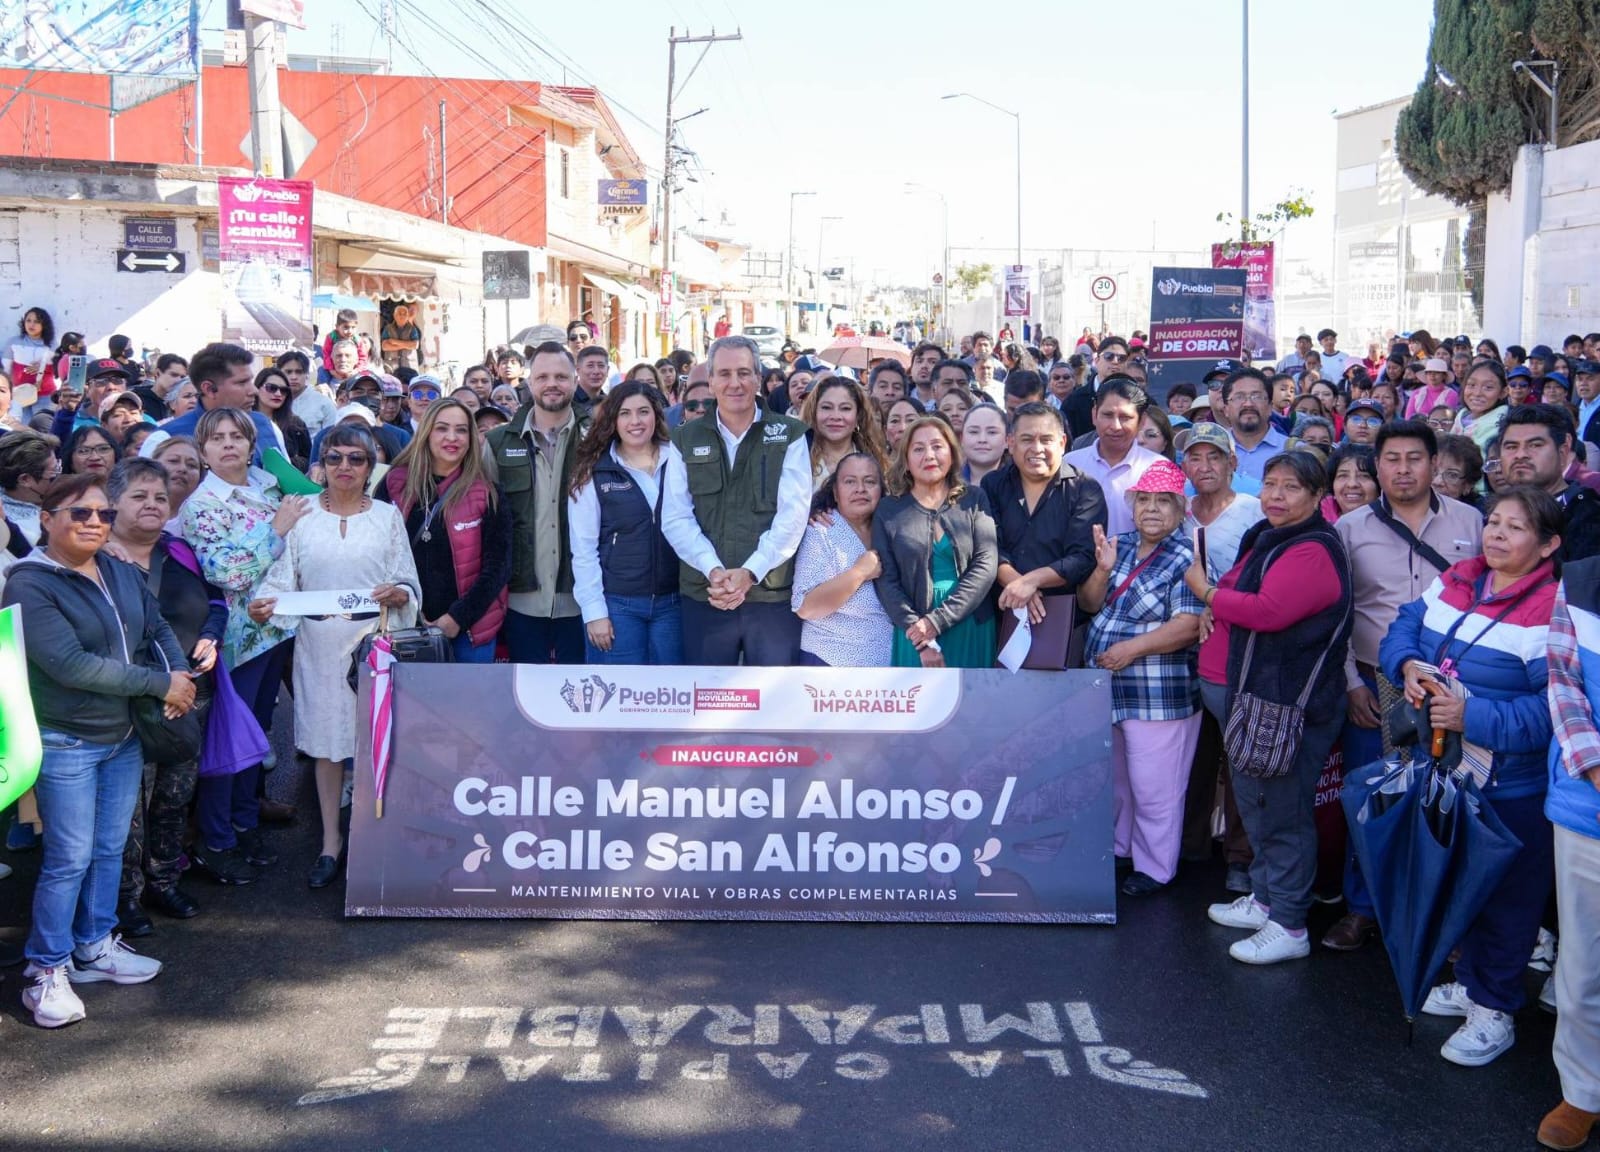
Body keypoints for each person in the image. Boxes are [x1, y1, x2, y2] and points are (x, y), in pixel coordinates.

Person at [3, 472, 195, 1027]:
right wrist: (160, 686)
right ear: (46, 518)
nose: (94, 522)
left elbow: (156, 626)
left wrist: (176, 672)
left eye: (102, 514)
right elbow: (68, 665)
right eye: (79, 514)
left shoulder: (116, 568)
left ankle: (93, 946)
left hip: (124, 737)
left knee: (110, 848)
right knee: (67, 858)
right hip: (67, 740)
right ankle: (45, 970)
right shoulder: (29, 583)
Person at [1382, 486, 1562, 1066]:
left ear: (1549, 545)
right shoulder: (1460, 576)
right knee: (1460, 887)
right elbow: (1404, 625)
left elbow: (1554, 709)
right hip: (1448, 769)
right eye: (1494, 523)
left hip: (1512, 784)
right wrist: (1406, 665)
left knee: (1509, 899)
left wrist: (1472, 716)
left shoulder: (1555, 609)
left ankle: (1495, 1009)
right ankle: (1473, 985)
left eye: (1516, 527)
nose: (1498, 535)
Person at [1323, 420, 1484, 952]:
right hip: (1375, 683)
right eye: (1391, 459)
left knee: (1450, 801)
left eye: (1414, 458)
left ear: (1435, 463)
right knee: (1373, 796)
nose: (1403, 469)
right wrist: (1350, 684)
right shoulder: (1351, 528)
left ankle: (1442, 913)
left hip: (1452, 689)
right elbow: (1338, 616)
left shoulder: (1472, 522)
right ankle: (1363, 906)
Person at [1187, 451, 1353, 965]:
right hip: (1259, 697)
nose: (1277, 496)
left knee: (1283, 812)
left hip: (1290, 703)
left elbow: (1267, 611)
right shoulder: (1268, 533)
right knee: (1258, 803)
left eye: (1291, 488)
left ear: (1317, 496)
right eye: (1271, 485)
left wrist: (1206, 593)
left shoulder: (1313, 549)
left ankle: (1289, 923)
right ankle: (1265, 899)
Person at [255, 424, 417, 887]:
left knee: (375, 744)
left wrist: (400, 594)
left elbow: (407, 579)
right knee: (327, 749)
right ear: (320, 467)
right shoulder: (303, 517)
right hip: (319, 648)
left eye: (356, 459)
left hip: (373, 646)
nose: (344, 467)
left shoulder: (386, 517)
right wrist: (266, 605)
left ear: (370, 468)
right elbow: (282, 580)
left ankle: (375, 840)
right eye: (335, 458)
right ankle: (330, 843)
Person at [180, 408, 310, 885]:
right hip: (238, 636)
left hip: (281, 627)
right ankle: (217, 838)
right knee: (228, 738)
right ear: (203, 449)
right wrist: (275, 529)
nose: (229, 445)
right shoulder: (200, 505)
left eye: (238, 436)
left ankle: (244, 820)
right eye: (218, 438)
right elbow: (226, 572)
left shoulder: (270, 483)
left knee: (257, 731)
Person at [105, 459, 225, 934]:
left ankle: (162, 877)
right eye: (139, 496)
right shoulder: (99, 558)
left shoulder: (180, 550)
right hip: (135, 701)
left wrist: (212, 635)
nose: (153, 504)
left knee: (175, 797)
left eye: (159, 496)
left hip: (192, 692)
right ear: (113, 502)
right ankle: (126, 895)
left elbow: (216, 599)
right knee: (132, 805)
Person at [1079, 459, 1206, 896]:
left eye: (1163, 502)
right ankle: (1121, 849)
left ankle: (1154, 868)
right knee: (1118, 783)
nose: (1152, 509)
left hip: (1158, 694)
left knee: (1156, 788)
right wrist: (1100, 570)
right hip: (1109, 688)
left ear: (1180, 508)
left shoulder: (1189, 555)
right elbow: (1091, 604)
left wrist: (1130, 650)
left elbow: (1189, 625)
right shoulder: (1123, 545)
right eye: (1144, 500)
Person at [660, 335, 811, 666]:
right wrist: (713, 570)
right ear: (710, 381)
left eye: (744, 373)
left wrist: (750, 573)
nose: (735, 383)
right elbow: (675, 517)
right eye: (724, 374)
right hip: (707, 594)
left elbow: (793, 516)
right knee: (708, 705)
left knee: (772, 706)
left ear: (758, 378)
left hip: (771, 595)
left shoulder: (790, 434)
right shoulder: (685, 438)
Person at [482, 342, 589, 664]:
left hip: (583, 597)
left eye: (560, 376)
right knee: (527, 699)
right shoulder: (498, 443)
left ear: (575, 380)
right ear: (530, 382)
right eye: (543, 377)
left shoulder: (598, 436)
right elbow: (486, 518)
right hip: (520, 597)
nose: (551, 384)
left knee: (583, 697)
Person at [381, 398, 510, 664]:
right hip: (405, 625)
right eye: (442, 428)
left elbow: (498, 566)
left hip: (468, 630)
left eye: (461, 430)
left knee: (468, 706)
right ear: (427, 432)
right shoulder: (394, 483)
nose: (452, 437)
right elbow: (374, 549)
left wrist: (457, 618)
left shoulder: (487, 492)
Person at [1542, 553, 1600, 1147]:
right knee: (1583, 963)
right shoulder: (1581, 582)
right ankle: (1583, 1092)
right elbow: (1565, 685)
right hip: (1589, 802)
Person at [566, 382, 683, 666]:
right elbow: (583, 549)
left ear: (656, 415)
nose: (635, 421)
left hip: (674, 603)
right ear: (613, 420)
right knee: (618, 698)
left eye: (643, 412)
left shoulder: (679, 459)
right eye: (625, 413)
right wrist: (594, 612)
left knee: (670, 698)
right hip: (618, 605)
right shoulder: (593, 471)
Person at [873, 417, 997, 668]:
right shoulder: (888, 509)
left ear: (952, 453)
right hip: (914, 631)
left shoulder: (974, 498)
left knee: (974, 704)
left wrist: (937, 621)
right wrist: (922, 637)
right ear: (906, 461)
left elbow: (986, 564)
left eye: (938, 446)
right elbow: (886, 580)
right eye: (918, 449)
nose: (929, 455)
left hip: (970, 620)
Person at [981, 402, 1105, 634]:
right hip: (1000, 612)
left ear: (1062, 443)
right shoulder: (992, 485)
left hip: (1063, 618)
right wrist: (1018, 585)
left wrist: (1032, 581)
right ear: (1011, 443)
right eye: (1027, 439)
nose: (1037, 448)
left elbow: (1083, 556)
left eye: (1046, 440)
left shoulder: (1085, 489)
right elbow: (987, 546)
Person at [791, 453, 893, 667]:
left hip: (885, 672)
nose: (860, 489)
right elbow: (806, 607)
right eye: (850, 481)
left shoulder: (889, 530)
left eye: (870, 481)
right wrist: (859, 573)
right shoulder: (821, 531)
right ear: (835, 492)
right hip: (830, 667)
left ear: (881, 491)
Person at [1498, 404, 1600, 563]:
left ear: (1563, 451)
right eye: (1511, 446)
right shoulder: (1490, 511)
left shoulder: (1588, 516)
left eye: (1535, 445)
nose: (1520, 455)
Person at [1064, 380, 1161, 538]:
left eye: (1125, 417)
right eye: (1108, 415)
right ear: (1094, 415)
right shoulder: (1069, 464)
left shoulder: (1159, 468)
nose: (1115, 426)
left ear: (1141, 421)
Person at [161, 343, 282, 460]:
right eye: (242, 382)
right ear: (209, 389)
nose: (254, 391)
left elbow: (287, 478)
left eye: (250, 381)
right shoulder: (166, 438)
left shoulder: (266, 425)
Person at [799, 377, 885, 490]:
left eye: (845, 408)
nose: (835, 416)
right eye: (826, 407)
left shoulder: (877, 462)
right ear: (814, 412)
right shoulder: (797, 458)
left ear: (858, 415)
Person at [1221, 370, 1287, 480]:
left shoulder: (1293, 450)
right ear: (1226, 409)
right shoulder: (1213, 450)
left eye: (1257, 397)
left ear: (1270, 407)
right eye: (1239, 397)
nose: (1248, 404)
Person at [0, 430, 60, 546]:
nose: (59, 475)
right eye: (54, 470)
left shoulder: (63, 496)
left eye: (58, 466)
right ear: (25, 480)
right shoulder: (22, 528)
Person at [254, 367, 311, 473]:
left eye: (284, 390)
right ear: (257, 388)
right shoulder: (244, 420)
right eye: (271, 388)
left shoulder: (295, 424)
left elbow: (310, 459)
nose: (278, 394)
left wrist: (288, 463)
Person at [148, 435, 203, 517]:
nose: (183, 468)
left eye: (191, 465)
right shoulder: (132, 510)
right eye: (173, 461)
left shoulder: (208, 518)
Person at [1324, 445, 1378, 522]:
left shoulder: (1392, 528)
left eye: (1363, 476)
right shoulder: (1315, 526)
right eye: (1343, 476)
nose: (1352, 484)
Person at [960, 403, 1008, 487]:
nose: (982, 440)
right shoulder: (946, 483)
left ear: (1007, 440)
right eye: (974, 432)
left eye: (992, 432)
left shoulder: (1021, 484)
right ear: (962, 439)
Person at [132, 353, 188, 422]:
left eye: (182, 377)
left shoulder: (184, 402)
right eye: (174, 375)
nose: (179, 380)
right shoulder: (136, 400)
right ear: (158, 373)